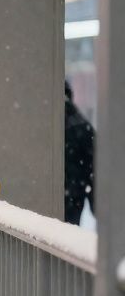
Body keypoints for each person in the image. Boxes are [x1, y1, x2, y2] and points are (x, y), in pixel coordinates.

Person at [64, 80, 96, 224]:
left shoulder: (44, 123)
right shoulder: (82, 125)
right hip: (74, 197)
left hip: (62, 195)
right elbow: (94, 168)